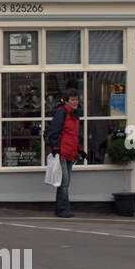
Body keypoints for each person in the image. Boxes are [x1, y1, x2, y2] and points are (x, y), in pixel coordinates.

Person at [46, 88, 81, 218]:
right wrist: (55, 149)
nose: (75, 102)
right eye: (72, 99)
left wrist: (80, 150)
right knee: (64, 182)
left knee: (64, 183)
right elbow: (54, 131)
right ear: (66, 101)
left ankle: (60, 208)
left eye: (76, 99)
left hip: (70, 152)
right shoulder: (62, 113)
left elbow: (74, 135)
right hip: (62, 152)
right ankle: (63, 209)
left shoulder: (74, 115)